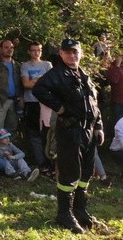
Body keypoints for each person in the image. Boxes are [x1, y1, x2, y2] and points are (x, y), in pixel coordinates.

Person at [33, 38, 105, 233]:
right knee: (69, 173)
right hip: (70, 130)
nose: (72, 55)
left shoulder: (84, 74)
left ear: (80, 53)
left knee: (86, 174)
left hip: (89, 130)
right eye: (68, 52)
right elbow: (38, 89)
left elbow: (93, 104)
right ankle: (64, 214)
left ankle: (80, 210)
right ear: (61, 54)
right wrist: (59, 107)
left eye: (75, 52)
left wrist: (98, 126)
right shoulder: (56, 74)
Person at [21, 41, 52, 172]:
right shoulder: (25, 65)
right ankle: (40, 162)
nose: (36, 52)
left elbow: (51, 82)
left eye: (38, 50)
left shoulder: (47, 65)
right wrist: (41, 82)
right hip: (31, 102)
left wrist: (35, 82)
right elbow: (26, 84)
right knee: (35, 133)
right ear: (29, 51)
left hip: (46, 103)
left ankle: (50, 160)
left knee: (48, 133)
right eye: (33, 50)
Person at [0, 39, 22, 131]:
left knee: (13, 129)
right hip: (0, 101)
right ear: (0, 49)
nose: (9, 50)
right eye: (6, 47)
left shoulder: (17, 65)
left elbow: (20, 83)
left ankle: (10, 145)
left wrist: (20, 97)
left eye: (11, 48)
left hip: (14, 101)